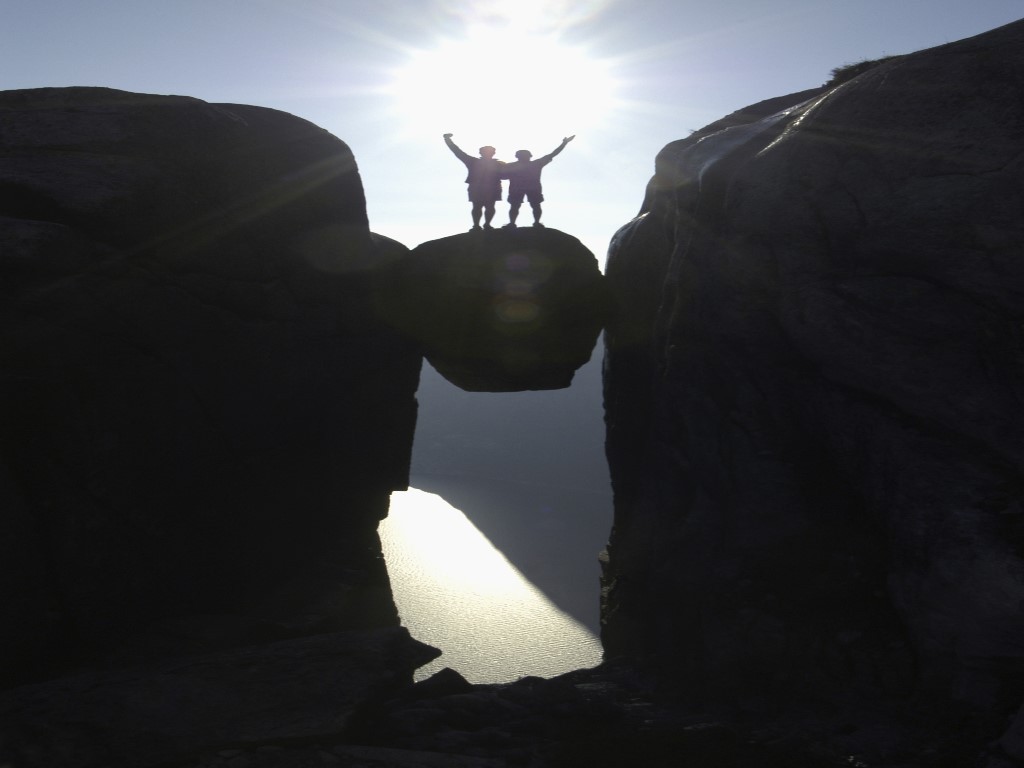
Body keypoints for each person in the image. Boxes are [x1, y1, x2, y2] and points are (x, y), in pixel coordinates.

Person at [502, 135, 575, 228]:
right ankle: (525, 223)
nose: (523, 157)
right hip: (528, 187)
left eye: (524, 156)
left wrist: (564, 143)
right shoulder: (535, 164)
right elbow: (553, 154)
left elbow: (553, 154)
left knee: (527, 205)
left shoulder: (524, 165)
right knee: (525, 205)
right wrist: (564, 143)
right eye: (522, 156)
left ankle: (522, 223)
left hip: (526, 187)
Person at [443, 133, 504, 230]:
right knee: (477, 206)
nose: (488, 153)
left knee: (489, 206)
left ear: (494, 153)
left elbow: (508, 173)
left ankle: (486, 224)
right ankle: (477, 225)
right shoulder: (473, 161)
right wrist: (448, 140)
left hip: (492, 187)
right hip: (477, 187)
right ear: (481, 153)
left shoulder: (498, 164)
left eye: (491, 152)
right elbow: (457, 151)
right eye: (486, 151)